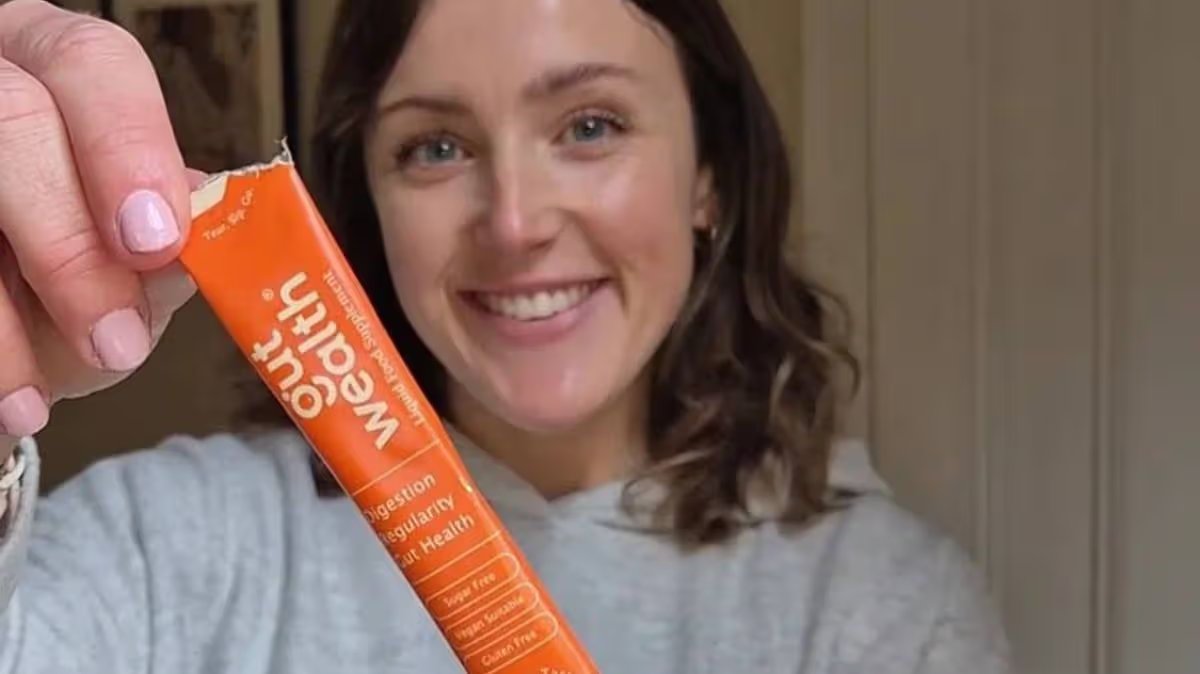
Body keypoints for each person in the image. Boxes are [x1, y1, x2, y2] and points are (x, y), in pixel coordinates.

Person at [0, 0, 1012, 671]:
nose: (515, 222)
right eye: (435, 146)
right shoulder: (162, 544)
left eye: (590, 126)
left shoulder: (885, 605)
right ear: (372, 204)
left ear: (710, 175)